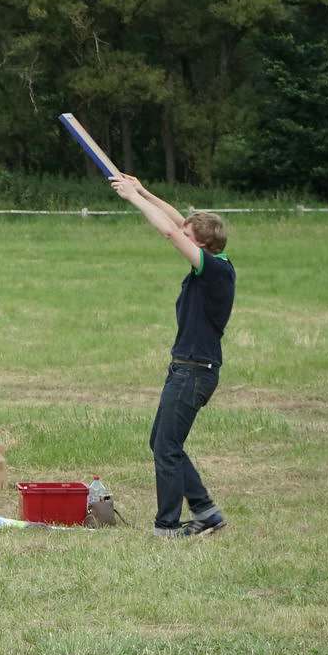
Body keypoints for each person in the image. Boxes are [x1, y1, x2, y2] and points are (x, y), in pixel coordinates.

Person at [110, 173, 234, 537]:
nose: (182, 235)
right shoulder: (214, 262)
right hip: (188, 368)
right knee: (164, 444)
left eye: (189, 237)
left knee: (166, 447)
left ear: (203, 246)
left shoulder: (214, 271)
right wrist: (144, 189)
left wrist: (134, 199)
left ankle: (167, 525)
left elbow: (170, 232)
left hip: (194, 371)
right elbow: (178, 224)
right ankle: (206, 510)